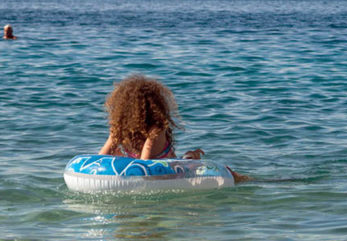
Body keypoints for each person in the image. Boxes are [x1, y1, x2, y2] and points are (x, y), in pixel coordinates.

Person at [98, 74, 249, 182]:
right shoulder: (125, 131)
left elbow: (144, 162)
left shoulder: (154, 130)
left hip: (168, 169)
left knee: (195, 165)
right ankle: (190, 156)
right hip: (156, 166)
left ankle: (192, 157)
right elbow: (102, 158)